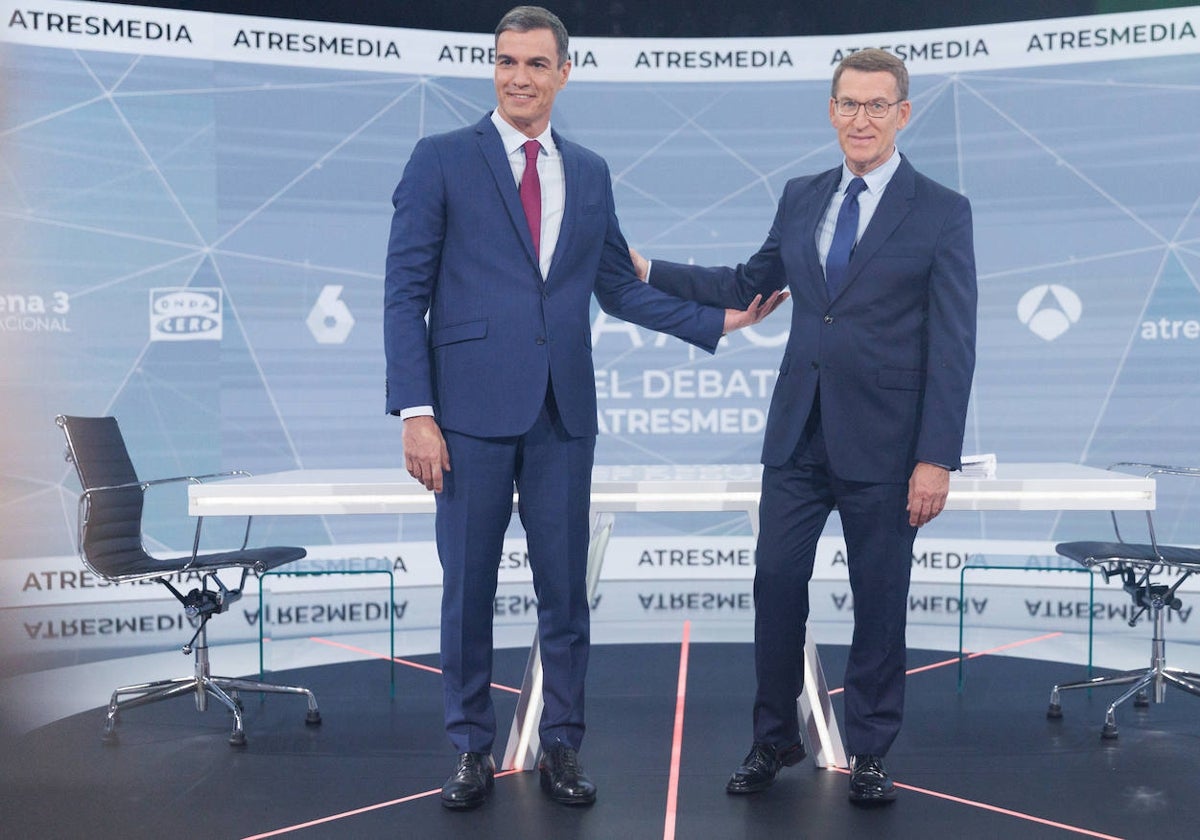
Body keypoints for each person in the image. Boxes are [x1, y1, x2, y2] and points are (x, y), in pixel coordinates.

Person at [384, 5, 785, 811]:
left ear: (564, 73)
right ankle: (471, 748)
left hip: (563, 414)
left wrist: (722, 321)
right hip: (465, 417)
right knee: (467, 589)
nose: (518, 77)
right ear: (492, 68)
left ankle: (561, 745)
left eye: (536, 64)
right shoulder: (440, 160)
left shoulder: (591, 171)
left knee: (565, 589)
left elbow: (618, 289)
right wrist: (414, 411)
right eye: (506, 62)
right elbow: (404, 293)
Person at [631, 48, 977, 805]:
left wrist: (936, 459)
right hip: (797, 435)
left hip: (889, 445)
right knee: (777, 582)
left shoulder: (943, 211)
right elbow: (746, 284)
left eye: (877, 106)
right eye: (848, 104)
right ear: (831, 111)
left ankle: (872, 750)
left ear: (902, 114)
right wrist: (648, 267)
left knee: (879, 595)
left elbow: (954, 346)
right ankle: (773, 738)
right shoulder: (801, 196)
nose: (861, 119)